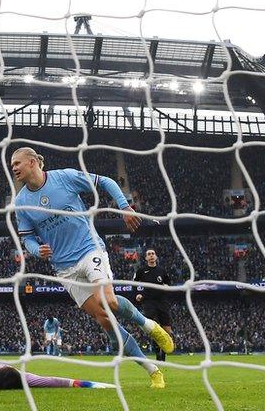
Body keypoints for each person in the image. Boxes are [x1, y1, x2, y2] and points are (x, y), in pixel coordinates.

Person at [11, 147, 174, 389]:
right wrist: (37, 250)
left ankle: (149, 325)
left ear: (33, 162)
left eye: (17, 163)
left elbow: (105, 181)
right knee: (105, 320)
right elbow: (28, 239)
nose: (13, 167)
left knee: (110, 301)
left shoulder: (64, 177)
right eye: (12, 164)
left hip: (89, 249)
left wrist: (124, 207)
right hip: (65, 269)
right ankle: (153, 370)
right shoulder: (21, 203)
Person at [134, 248, 173, 361]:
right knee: (154, 326)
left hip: (162, 301)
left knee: (167, 329)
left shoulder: (162, 271)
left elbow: (167, 283)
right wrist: (139, 293)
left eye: (153, 254)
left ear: (156, 257)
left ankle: (163, 354)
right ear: (146, 258)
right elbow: (134, 284)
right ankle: (157, 353)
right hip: (148, 301)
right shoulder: (141, 271)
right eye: (149, 254)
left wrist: (166, 286)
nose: (151, 255)